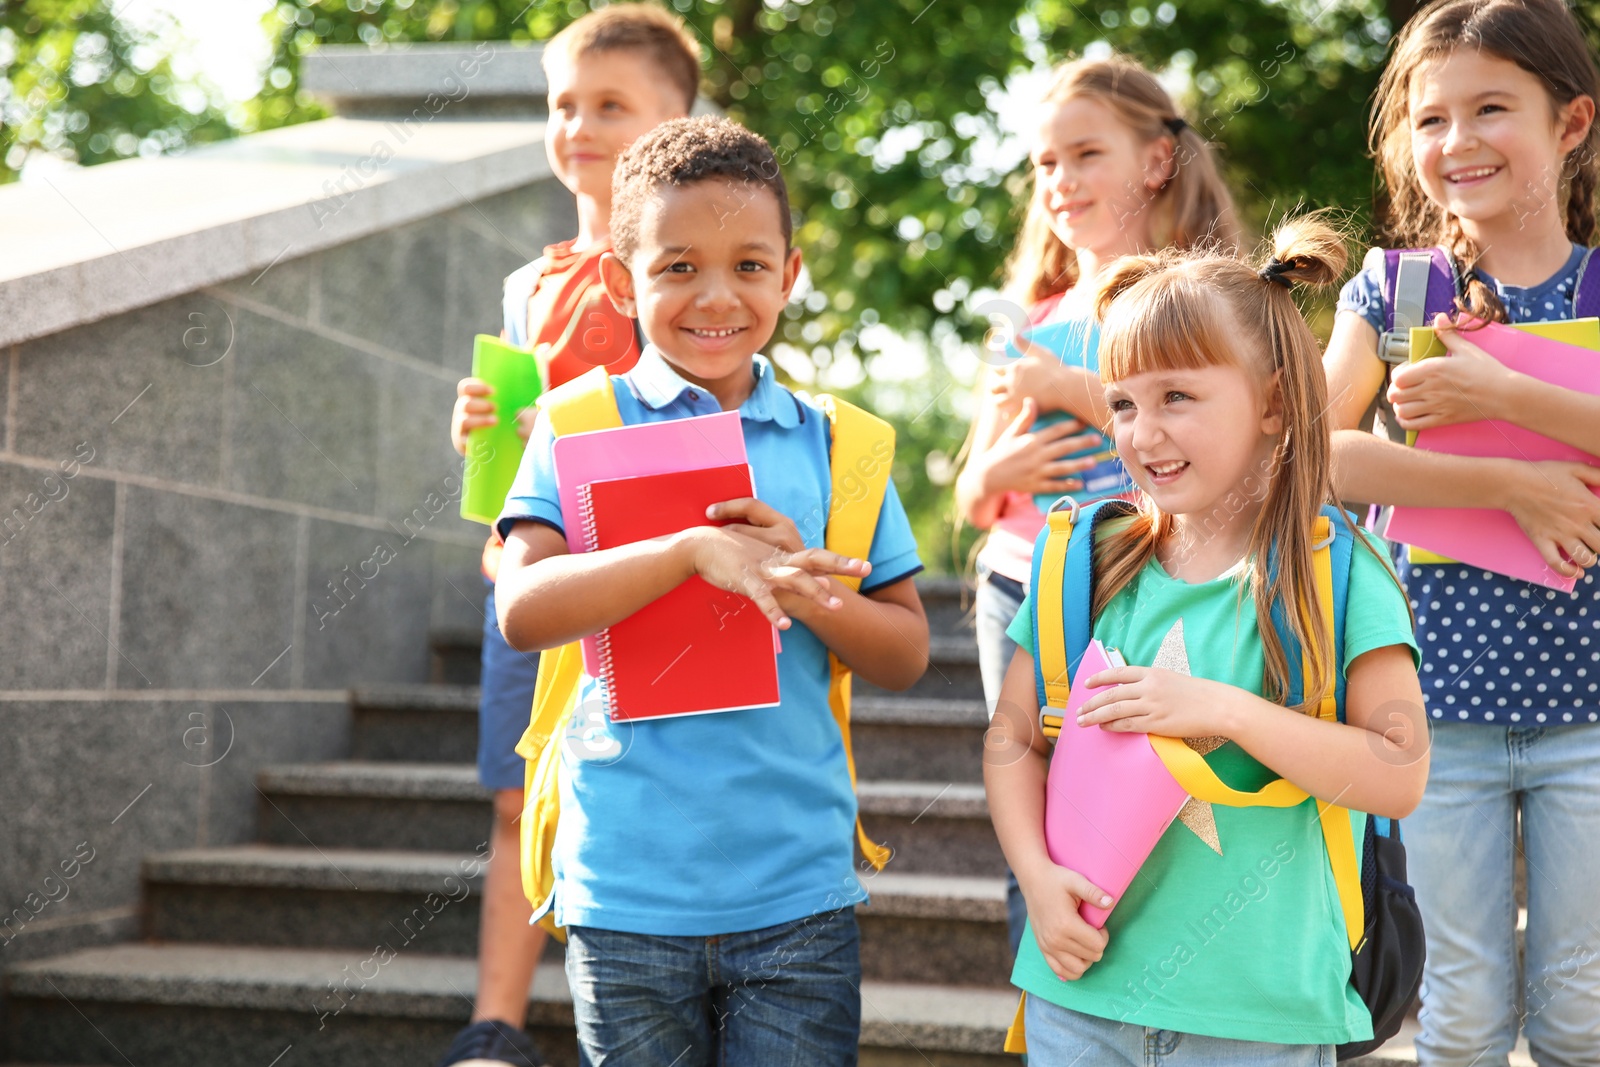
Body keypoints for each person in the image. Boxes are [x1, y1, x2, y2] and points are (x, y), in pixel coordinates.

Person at [493, 116, 929, 1067]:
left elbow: (903, 653)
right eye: (679, 267)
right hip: (625, 897)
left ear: (791, 274)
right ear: (621, 280)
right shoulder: (575, 424)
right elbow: (523, 609)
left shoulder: (839, 442)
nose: (717, 296)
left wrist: (800, 584)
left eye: (749, 266)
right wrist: (688, 551)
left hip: (799, 900)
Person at [985, 216, 1428, 1062]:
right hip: (1078, 1000)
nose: (1142, 433)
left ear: (1270, 403)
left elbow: (1399, 773)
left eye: (1177, 397)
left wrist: (1222, 709)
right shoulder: (1083, 565)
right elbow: (1012, 739)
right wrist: (1036, 884)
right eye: (1122, 403)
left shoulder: (1340, 576)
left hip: (1260, 1022)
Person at [1322, 1, 1600, 1062]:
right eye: (1430, 118)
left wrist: (1501, 389)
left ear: (1569, 123)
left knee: (1579, 1012)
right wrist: (1501, 483)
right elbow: (1310, 450)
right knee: (1464, 1008)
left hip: (1587, 708)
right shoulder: (1397, 291)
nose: (1457, 141)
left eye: (1492, 109)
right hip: (1434, 707)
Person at [439, 6, 699, 1065]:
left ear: (676, 123)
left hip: (635, 575)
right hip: (528, 570)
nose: (577, 125)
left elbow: (691, 418)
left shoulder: (680, 267)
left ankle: (659, 1011)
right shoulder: (531, 277)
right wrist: (483, 432)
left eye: (610, 105)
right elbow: (514, 439)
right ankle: (495, 1024)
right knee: (515, 797)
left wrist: (581, 417)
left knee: (635, 789)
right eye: (562, 104)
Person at [952, 53, 1241, 956]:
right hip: (1018, 582)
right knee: (1028, 800)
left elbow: (1214, 437)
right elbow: (972, 494)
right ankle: (1046, 996)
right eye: (1043, 164)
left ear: (1156, 161)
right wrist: (999, 460)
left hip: (1136, 582)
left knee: (1135, 800)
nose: (1059, 182)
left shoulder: (1194, 302)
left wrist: (1066, 384)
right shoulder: (1028, 320)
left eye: (1083, 155)